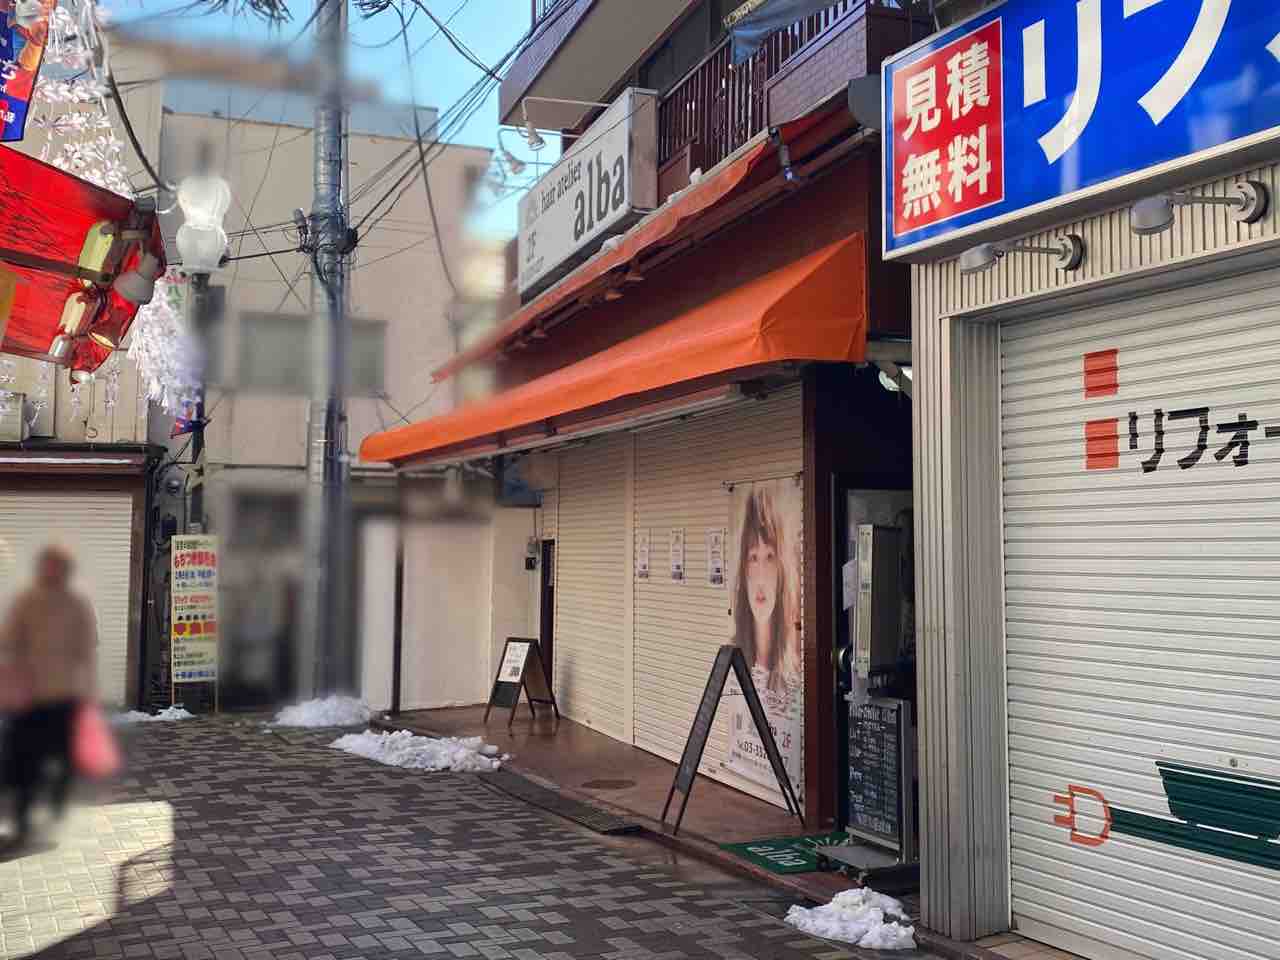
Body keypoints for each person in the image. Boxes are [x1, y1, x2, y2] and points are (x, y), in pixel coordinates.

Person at [0, 543, 98, 846]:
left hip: (66, 696)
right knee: (24, 760)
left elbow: (88, 648)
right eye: (49, 566)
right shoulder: (27, 601)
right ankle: (24, 821)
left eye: (58, 567)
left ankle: (55, 812)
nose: (52, 572)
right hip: (31, 697)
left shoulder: (79, 603)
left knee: (64, 759)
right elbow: (9, 642)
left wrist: (88, 690)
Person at [731, 487, 801, 698]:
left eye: (769, 557)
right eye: (753, 557)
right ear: (744, 569)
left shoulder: (795, 673)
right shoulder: (733, 661)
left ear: (781, 568)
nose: (761, 577)